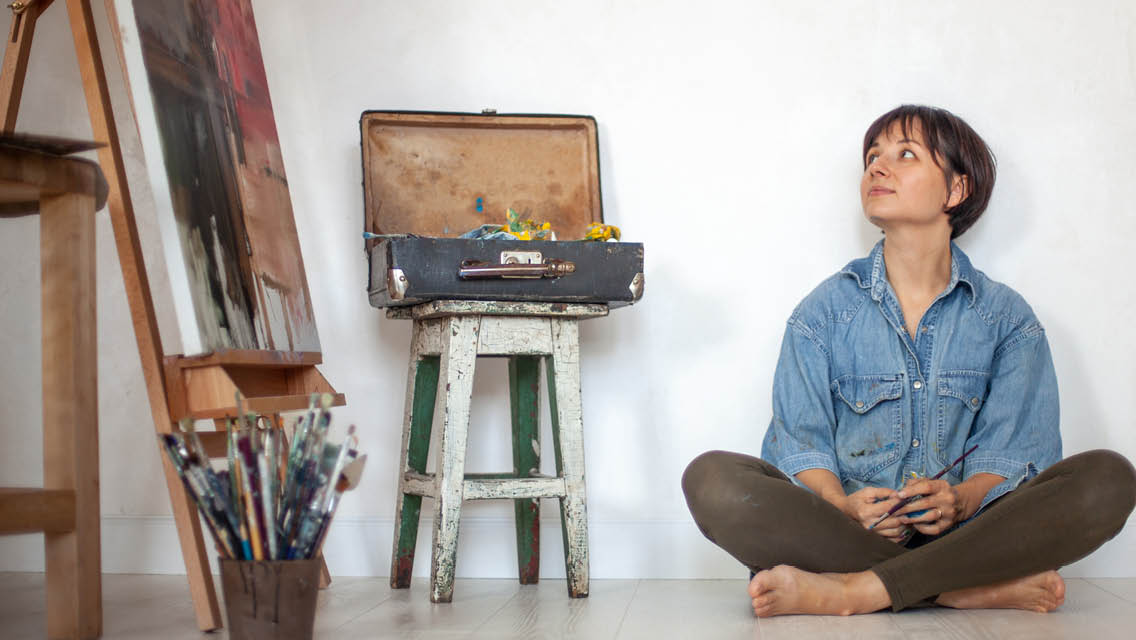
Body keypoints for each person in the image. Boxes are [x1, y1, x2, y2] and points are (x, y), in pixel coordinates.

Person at [681, 104, 1136, 617]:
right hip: (847, 536)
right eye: (872, 156)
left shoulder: (1008, 319)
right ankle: (957, 590)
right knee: (712, 480)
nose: (877, 167)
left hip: (973, 535)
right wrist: (843, 507)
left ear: (956, 190)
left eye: (904, 155)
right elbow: (799, 444)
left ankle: (857, 591)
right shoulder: (822, 314)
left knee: (1108, 479)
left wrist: (960, 501)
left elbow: (1018, 452)